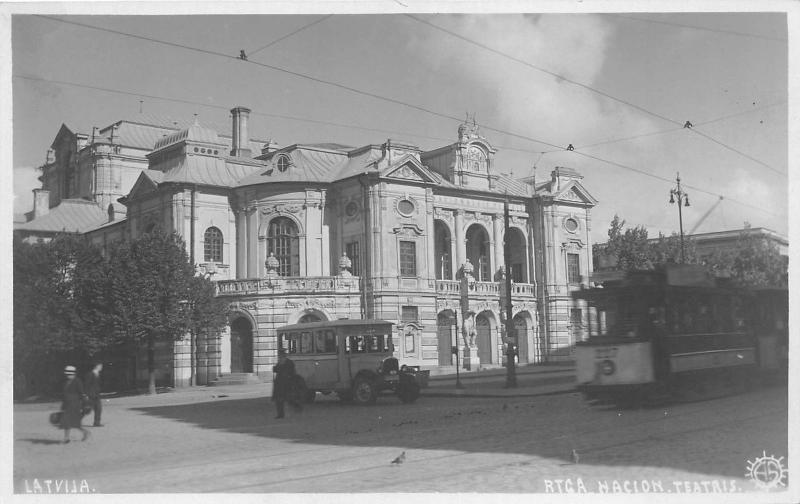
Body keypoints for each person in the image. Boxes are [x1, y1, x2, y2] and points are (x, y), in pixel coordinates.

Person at [61, 365, 89, 443]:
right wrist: (63, 405)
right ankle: (66, 438)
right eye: (67, 374)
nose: (68, 375)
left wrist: (85, 404)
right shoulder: (65, 382)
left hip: (75, 404)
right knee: (66, 421)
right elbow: (64, 394)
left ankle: (85, 432)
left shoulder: (77, 381)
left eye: (69, 374)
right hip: (67, 404)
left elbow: (82, 393)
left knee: (74, 422)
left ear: (73, 373)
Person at [272, 348, 301, 419]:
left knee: (288, 398)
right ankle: (280, 414)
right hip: (279, 383)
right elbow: (275, 370)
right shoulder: (279, 362)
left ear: (284, 355)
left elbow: (292, 372)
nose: (280, 356)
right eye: (280, 355)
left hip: (286, 383)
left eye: (281, 355)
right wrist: (275, 367)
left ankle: (296, 406)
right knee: (279, 399)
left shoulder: (289, 362)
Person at [83, 362, 103, 427]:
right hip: (91, 395)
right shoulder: (90, 374)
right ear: (96, 366)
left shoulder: (98, 374)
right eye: (100, 366)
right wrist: (86, 395)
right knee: (86, 410)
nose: (101, 367)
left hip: (97, 395)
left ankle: (96, 423)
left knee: (98, 408)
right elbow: (86, 385)